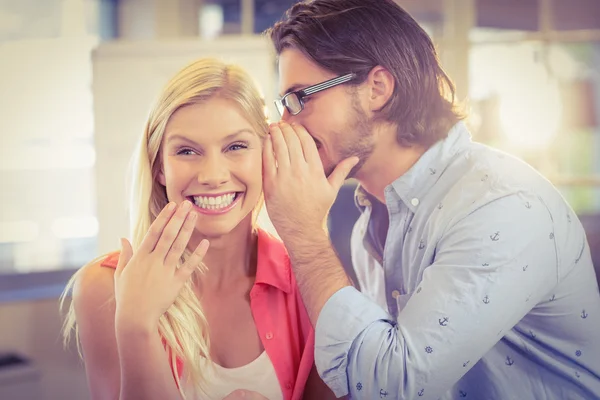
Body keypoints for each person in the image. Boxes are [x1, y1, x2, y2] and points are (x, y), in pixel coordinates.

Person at [257, 0, 600, 399]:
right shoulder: (370, 225)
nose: (286, 124)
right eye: (284, 105)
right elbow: (365, 374)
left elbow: (395, 386)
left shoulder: (501, 205)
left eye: (300, 98)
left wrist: (305, 235)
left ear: (377, 89)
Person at [60, 58, 336, 400]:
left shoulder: (309, 282)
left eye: (236, 146)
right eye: (187, 151)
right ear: (160, 167)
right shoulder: (105, 288)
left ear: (266, 153)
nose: (213, 175)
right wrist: (136, 325)